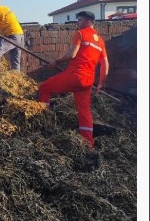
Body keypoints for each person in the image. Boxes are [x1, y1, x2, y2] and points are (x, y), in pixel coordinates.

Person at [38, 11, 109, 149]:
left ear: (88, 21)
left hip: (75, 76)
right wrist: (100, 83)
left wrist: (56, 61)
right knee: (84, 111)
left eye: (80, 20)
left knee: (44, 88)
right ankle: (88, 143)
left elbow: (72, 54)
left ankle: (42, 121)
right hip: (88, 81)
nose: (77, 23)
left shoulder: (81, 33)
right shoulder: (100, 41)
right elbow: (105, 64)